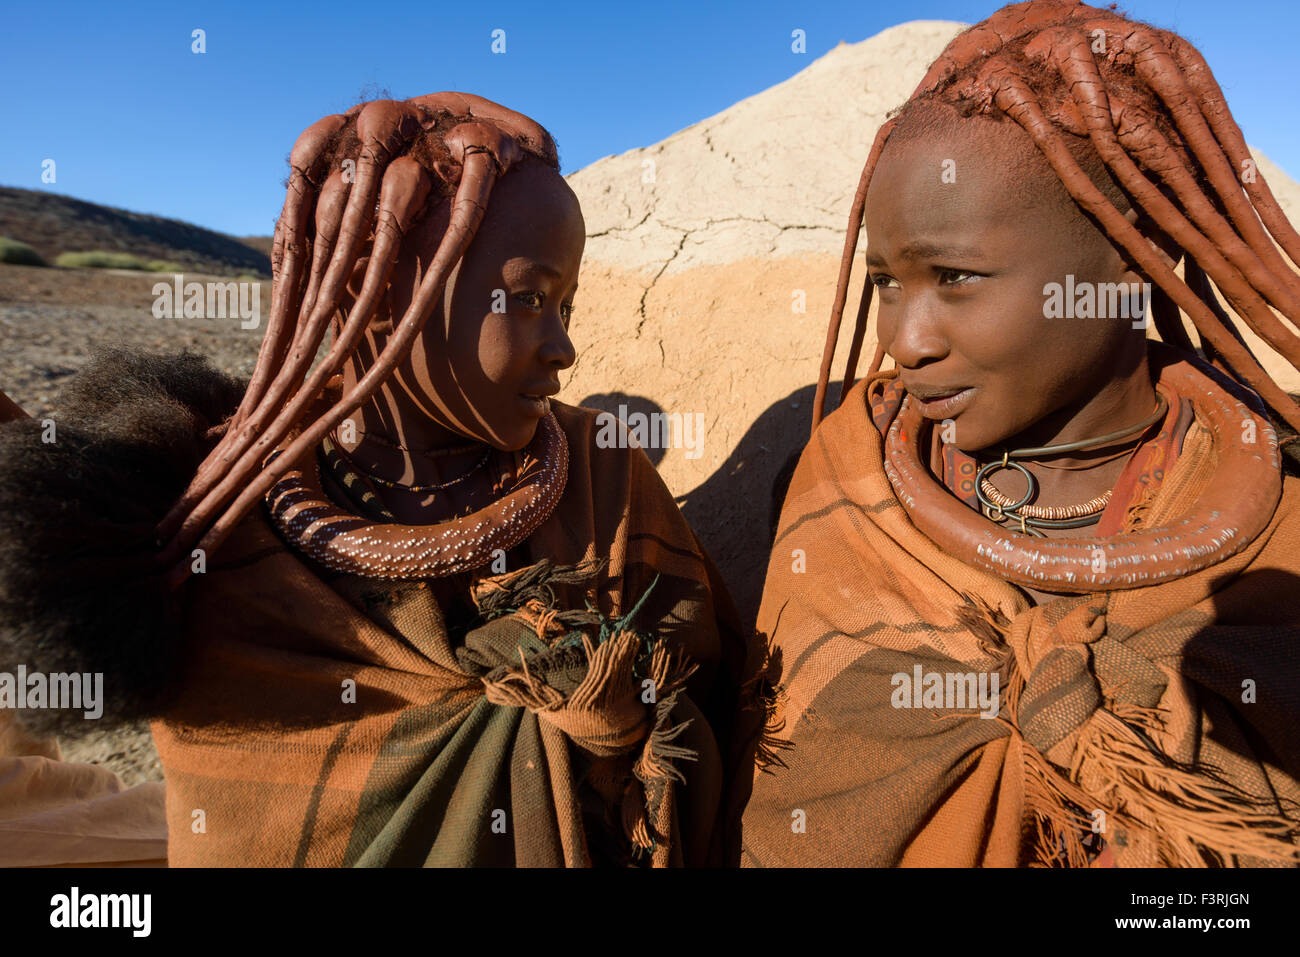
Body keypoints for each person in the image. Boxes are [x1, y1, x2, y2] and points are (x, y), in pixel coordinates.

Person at [0, 93, 761, 867]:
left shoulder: (601, 467)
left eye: (566, 304)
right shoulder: (227, 528)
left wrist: (608, 711)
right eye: (529, 299)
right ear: (381, 289)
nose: (564, 347)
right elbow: (241, 808)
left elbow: (706, 701)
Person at [741, 0, 1300, 867]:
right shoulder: (849, 485)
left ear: (1129, 253)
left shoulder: (1282, 525)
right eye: (887, 282)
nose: (905, 340)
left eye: (956, 277)